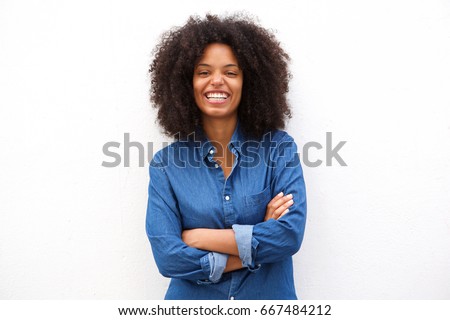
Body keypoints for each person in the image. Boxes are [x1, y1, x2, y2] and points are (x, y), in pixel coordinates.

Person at [146, 14, 307, 300]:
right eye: (204, 72)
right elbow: (168, 259)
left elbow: (288, 236)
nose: (217, 81)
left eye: (231, 72)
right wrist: (257, 240)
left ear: (249, 82)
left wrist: (198, 238)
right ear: (186, 82)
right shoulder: (166, 166)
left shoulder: (279, 149)